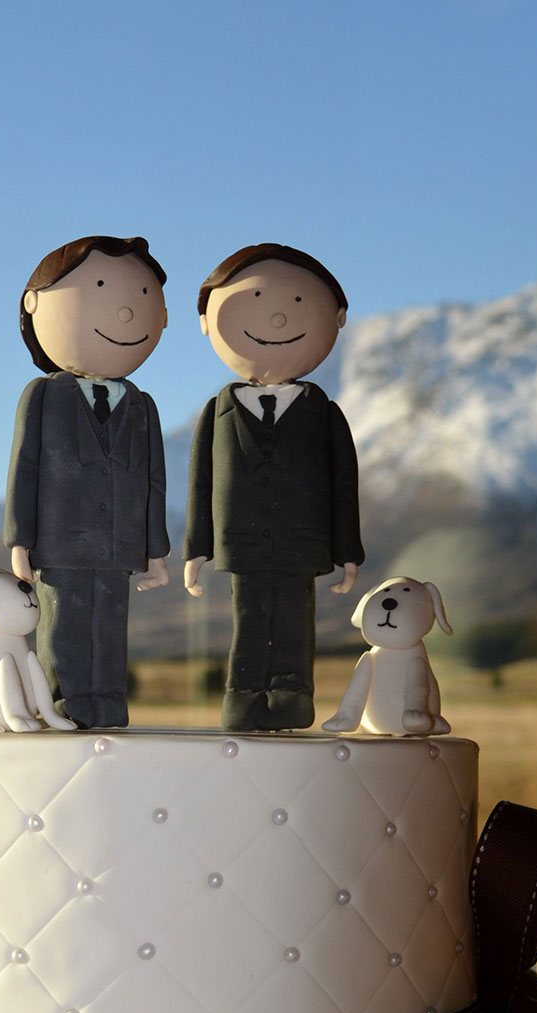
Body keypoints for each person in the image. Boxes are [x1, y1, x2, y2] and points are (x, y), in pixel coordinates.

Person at [184, 243, 363, 731]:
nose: (280, 318)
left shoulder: (324, 413)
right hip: (241, 542)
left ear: (337, 318)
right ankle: (243, 696)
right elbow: (201, 483)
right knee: (248, 620)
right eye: (256, 299)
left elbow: (344, 485)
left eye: (300, 303)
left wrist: (348, 551)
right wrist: (196, 548)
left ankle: (291, 696)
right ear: (207, 321)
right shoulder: (217, 412)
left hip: (302, 542)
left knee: (294, 625)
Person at [4, 235, 169, 729]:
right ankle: (64, 706)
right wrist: (20, 540)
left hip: (119, 545)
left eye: (143, 297)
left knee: (110, 630)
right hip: (61, 543)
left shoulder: (142, 405)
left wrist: (156, 551)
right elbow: (24, 469)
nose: (126, 311)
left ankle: (108, 704)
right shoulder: (42, 396)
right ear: (34, 305)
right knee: (64, 631)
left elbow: (154, 482)